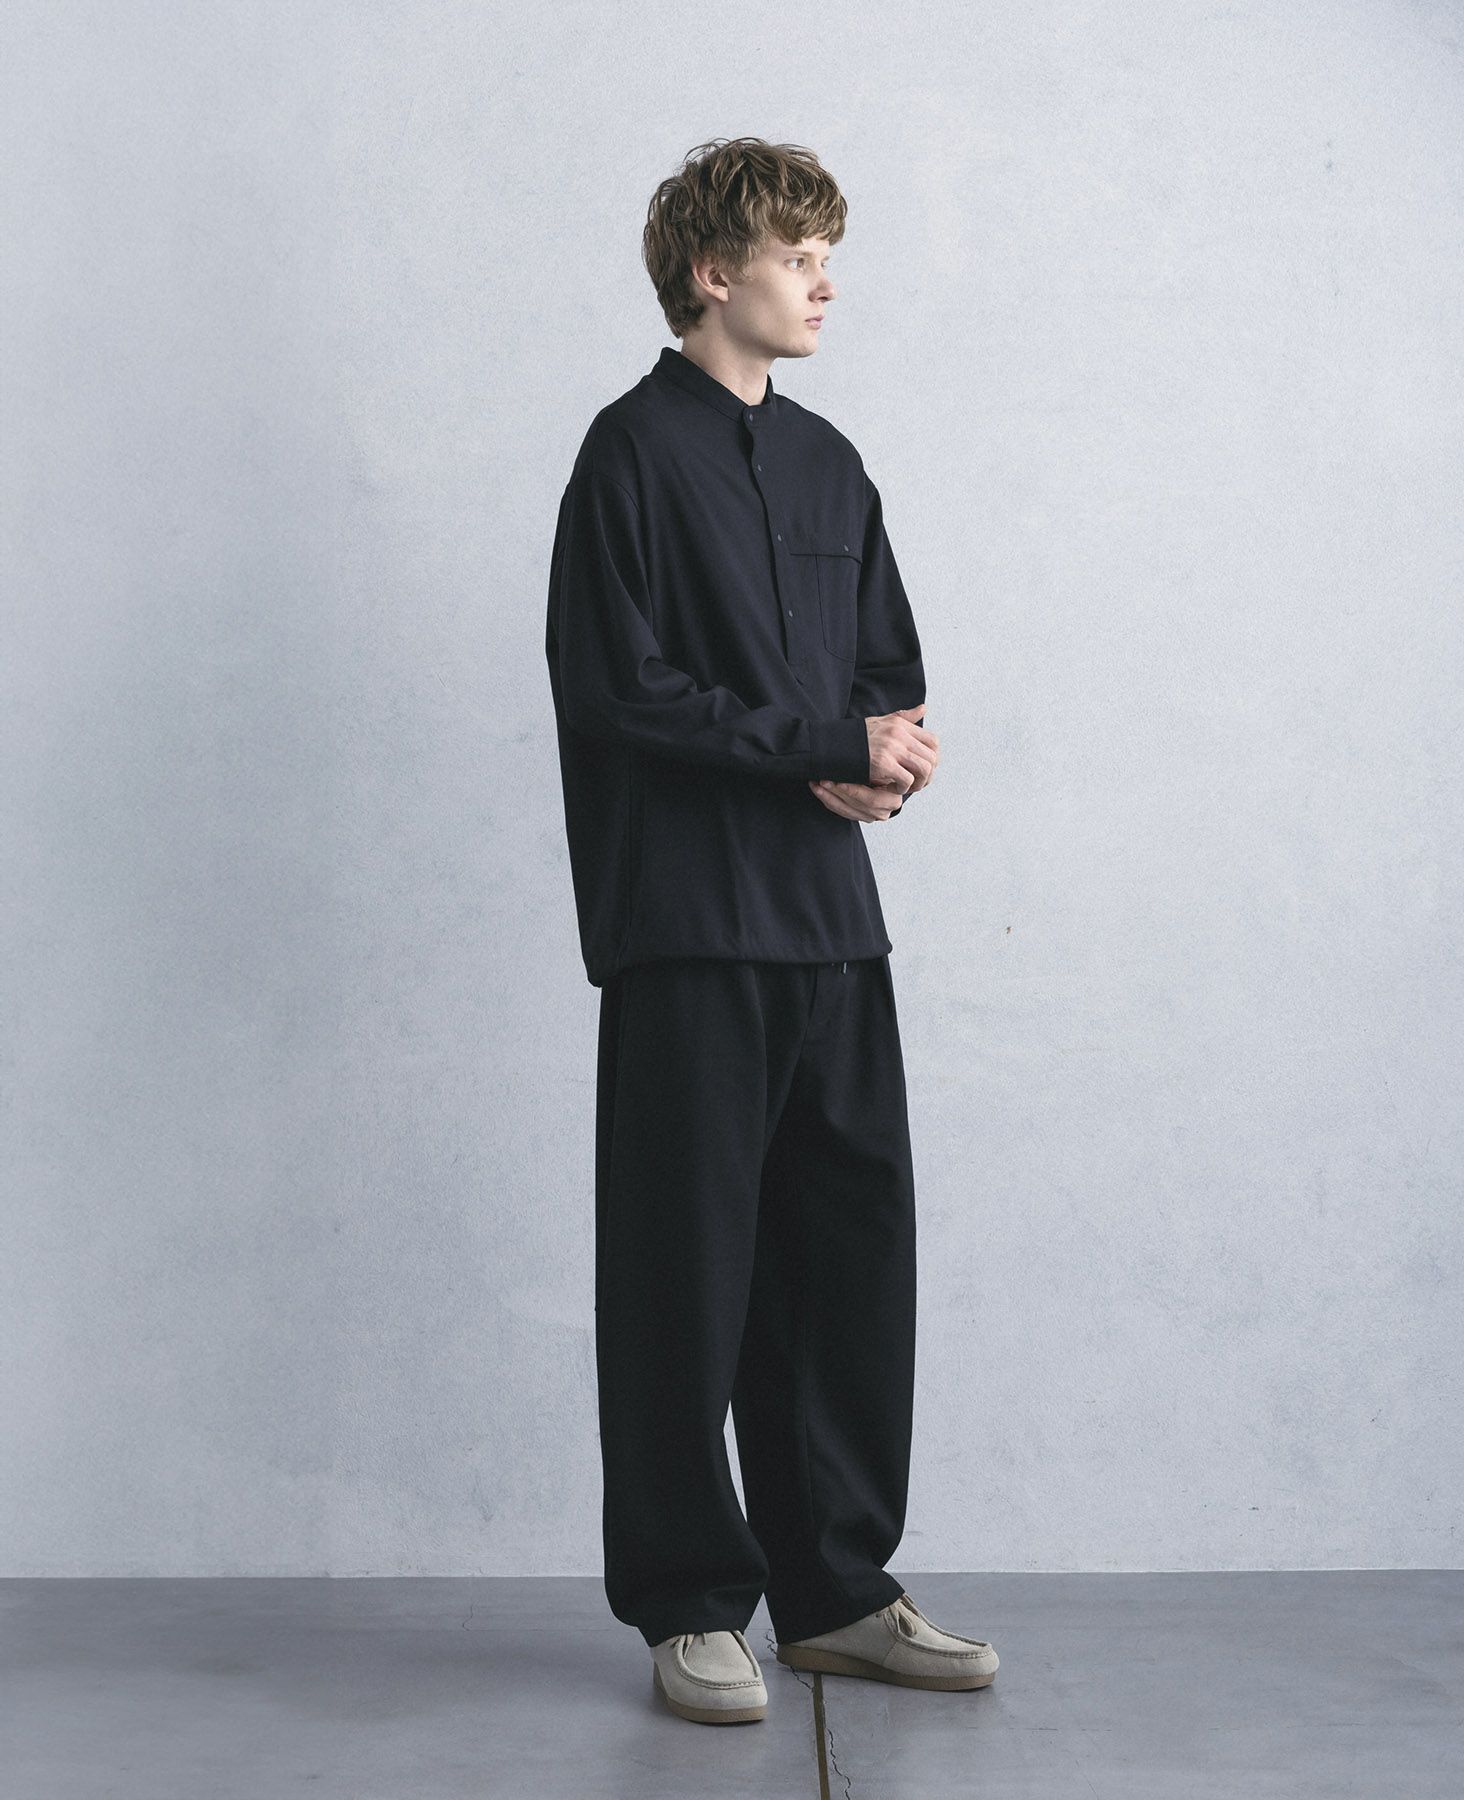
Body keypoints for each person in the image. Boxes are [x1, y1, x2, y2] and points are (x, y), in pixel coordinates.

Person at [544, 135, 997, 1725]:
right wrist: (819, 739)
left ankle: (838, 1596)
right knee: (685, 1273)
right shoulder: (626, 457)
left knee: (848, 1263)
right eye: (798, 256)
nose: (824, 284)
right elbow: (621, 691)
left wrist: (888, 758)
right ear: (710, 272)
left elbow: (884, 669)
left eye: (827, 256)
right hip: (686, 928)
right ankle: (689, 1606)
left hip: (830, 929)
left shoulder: (830, 466)